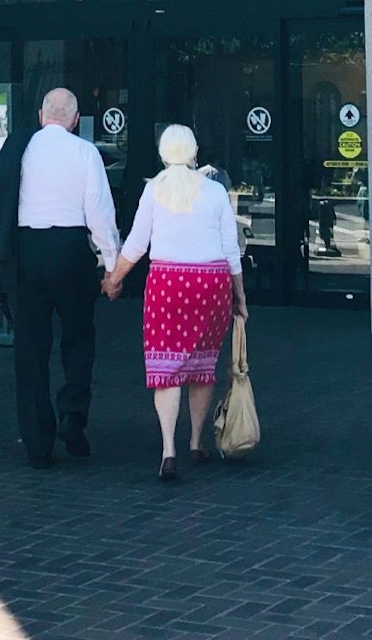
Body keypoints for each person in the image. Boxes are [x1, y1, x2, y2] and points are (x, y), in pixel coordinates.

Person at [103, 125, 248, 481]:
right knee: (202, 363)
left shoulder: (154, 191)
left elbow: (136, 244)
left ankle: (168, 449)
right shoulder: (214, 192)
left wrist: (114, 279)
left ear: (163, 153)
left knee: (165, 366)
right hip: (210, 283)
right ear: (194, 151)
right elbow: (231, 250)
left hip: (168, 284)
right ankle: (197, 442)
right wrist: (240, 297)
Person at [0, 88, 122, 470]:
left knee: (30, 347)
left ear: (41, 115)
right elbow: (99, 213)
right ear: (76, 120)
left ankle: (37, 443)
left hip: (26, 250)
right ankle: (73, 415)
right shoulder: (85, 152)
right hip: (70, 249)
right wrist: (112, 265)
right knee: (79, 336)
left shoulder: (20, 149)